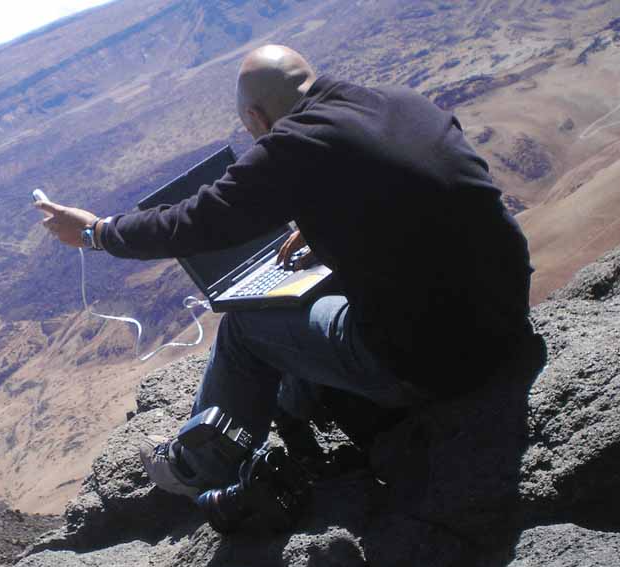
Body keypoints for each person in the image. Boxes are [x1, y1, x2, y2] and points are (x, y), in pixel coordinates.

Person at [36, 45, 532, 497]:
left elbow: (193, 223)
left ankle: (194, 468)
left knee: (246, 326)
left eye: (251, 127)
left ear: (254, 116)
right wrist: (329, 232)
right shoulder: (398, 101)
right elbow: (429, 196)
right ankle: (298, 406)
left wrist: (94, 233)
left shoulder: (293, 146)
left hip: (436, 365)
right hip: (508, 319)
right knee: (314, 293)